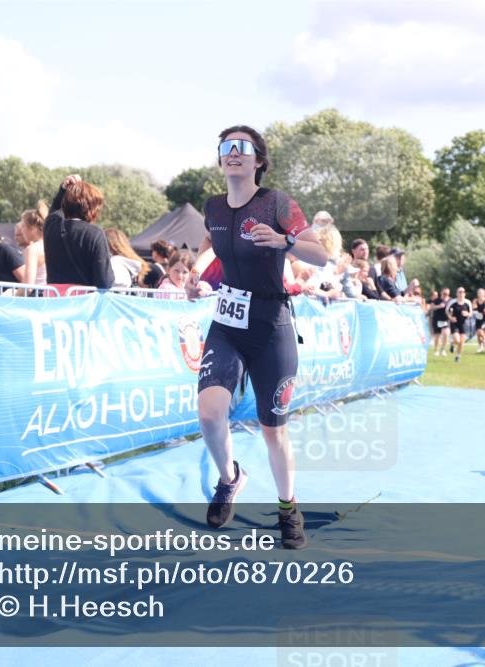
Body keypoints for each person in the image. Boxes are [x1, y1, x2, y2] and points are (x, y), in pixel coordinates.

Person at [191, 125, 327, 549]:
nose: (233, 152)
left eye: (242, 147)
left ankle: (288, 508)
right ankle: (229, 478)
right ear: (220, 158)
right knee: (210, 414)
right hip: (227, 325)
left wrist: (285, 241)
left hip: (271, 326)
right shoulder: (213, 207)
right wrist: (198, 277)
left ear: (259, 160)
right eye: (226, 147)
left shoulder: (277, 203)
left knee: (274, 432)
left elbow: (321, 255)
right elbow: (212, 246)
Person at [43, 174, 114, 289]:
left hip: (53, 297)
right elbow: (104, 281)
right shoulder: (95, 234)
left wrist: (63, 190)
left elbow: (54, 210)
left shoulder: (51, 226)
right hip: (83, 298)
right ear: (92, 208)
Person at [20, 202, 48, 285]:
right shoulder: (52, 245)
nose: (21, 230)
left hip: (38, 292)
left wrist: (13, 293)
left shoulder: (32, 250)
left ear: (33, 228)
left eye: (23, 226)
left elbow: (28, 286)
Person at [447, 287, 472, 362]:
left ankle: (457, 356)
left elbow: (470, 313)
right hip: (455, 323)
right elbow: (447, 311)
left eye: (463, 292)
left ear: (465, 294)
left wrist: (467, 314)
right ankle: (452, 343)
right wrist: (450, 318)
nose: (461, 293)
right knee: (457, 340)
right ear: (457, 293)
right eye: (459, 292)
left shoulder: (467, 302)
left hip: (463, 323)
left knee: (461, 342)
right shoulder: (452, 302)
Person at [430, 287, 452, 355]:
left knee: (446, 333)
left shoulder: (451, 300)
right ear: (441, 293)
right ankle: (436, 350)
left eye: (447, 294)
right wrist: (439, 306)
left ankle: (443, 349)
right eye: (444, 293)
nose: (446, 295)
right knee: (437, 336)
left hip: (446, 320)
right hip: (437, 320)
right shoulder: (436, 300)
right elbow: (432, 307)